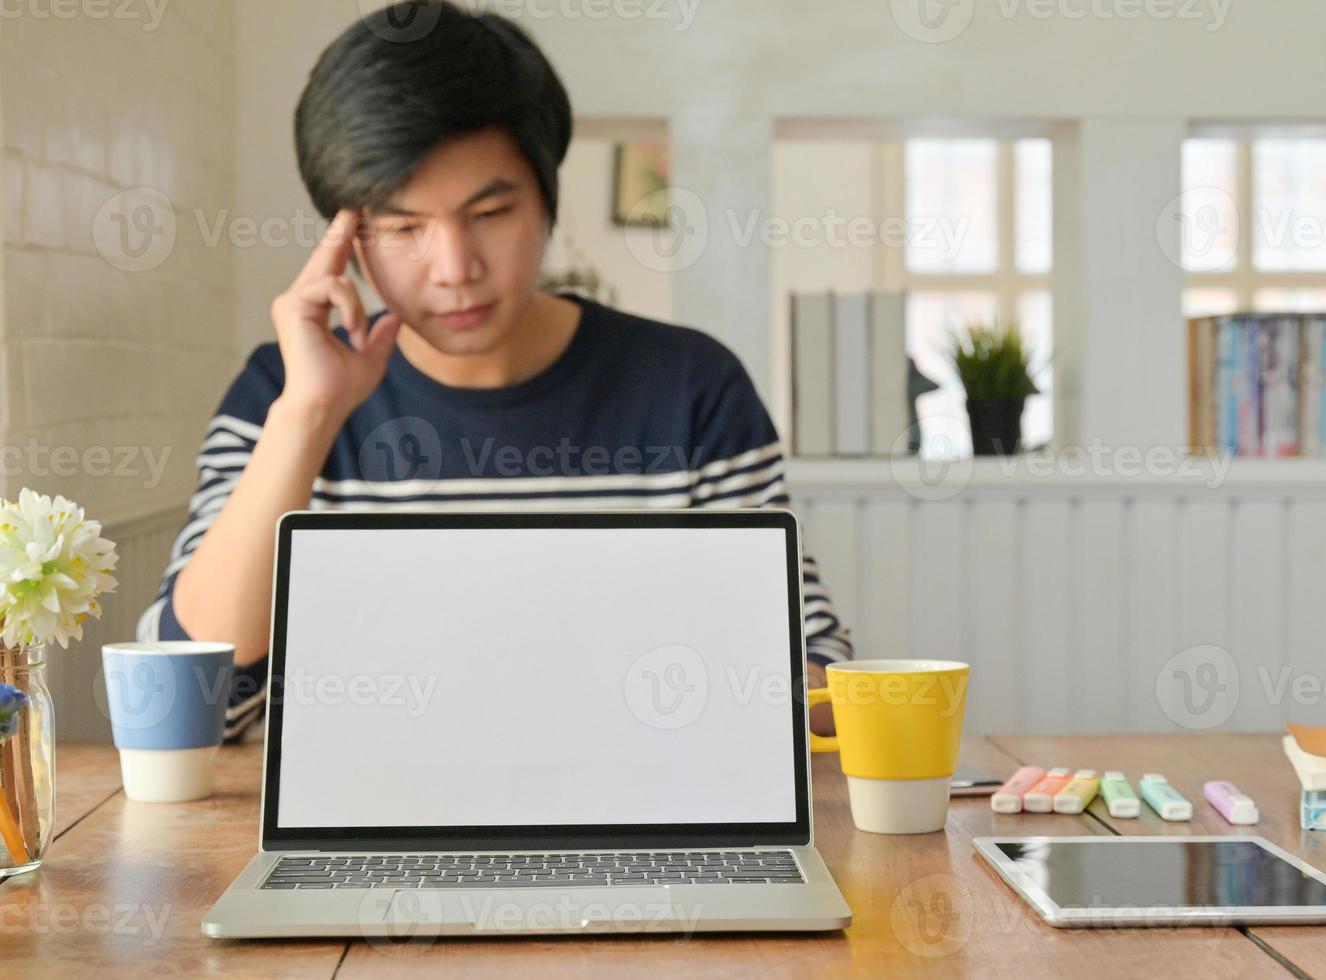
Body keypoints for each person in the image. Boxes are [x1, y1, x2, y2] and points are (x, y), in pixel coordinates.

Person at [136, 2, 851, 740]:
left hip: (631, 824)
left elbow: (816, 681)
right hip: (365, 833)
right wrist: (309, 415)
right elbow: (190, 710)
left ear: (546, 201)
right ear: (347, 238)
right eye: (405, 227)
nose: (456, 270)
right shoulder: (280, 394)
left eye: (490, 213)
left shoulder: (690, 387)